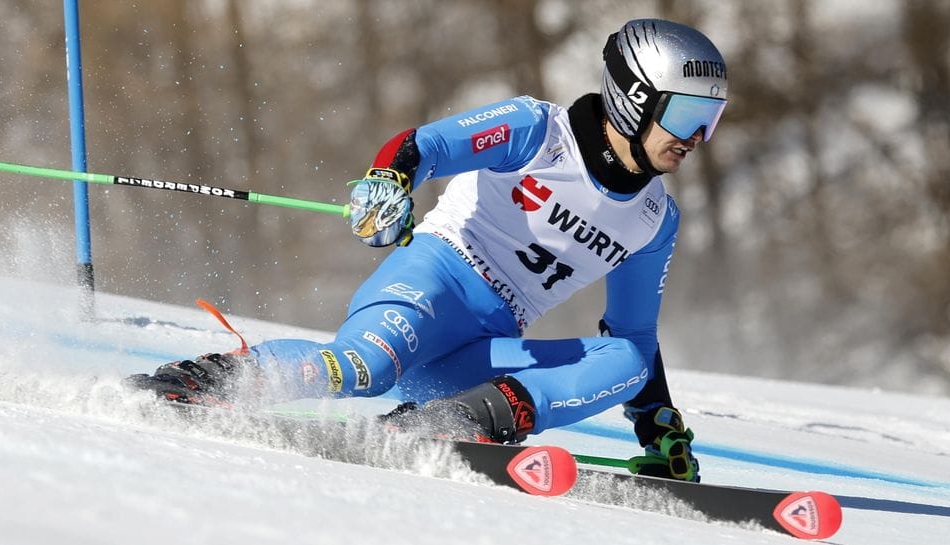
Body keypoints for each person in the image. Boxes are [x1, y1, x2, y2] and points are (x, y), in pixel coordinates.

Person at [131, 18, 728, 482]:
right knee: (365, 368)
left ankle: (454, 423)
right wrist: (388, 183)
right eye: (689, 115)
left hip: (483, 345)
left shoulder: (654, 220)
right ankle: (213, 377)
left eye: (713, 118)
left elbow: (634, 334)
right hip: (436, 279)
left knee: (627, 361)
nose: (698, 138)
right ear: (634, 96)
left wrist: (660, 429)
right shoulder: (537, 131)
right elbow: (422, 146)